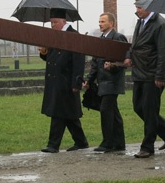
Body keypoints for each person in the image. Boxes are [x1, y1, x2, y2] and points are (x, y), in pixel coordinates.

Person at [124, 0, 165, 158]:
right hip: (139, 73)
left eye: (140, 7)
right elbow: (135, 44)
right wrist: (128, 55)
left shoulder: (161, 25)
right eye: (136, 7)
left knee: (149, 111)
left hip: (152, 74)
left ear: (150, 6)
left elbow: (164, 53)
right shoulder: (140, 22)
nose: (137, 10)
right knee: (138, 107)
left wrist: (160, 76)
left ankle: (147, 147)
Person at [39, 8, 89, 153]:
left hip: (66, 81)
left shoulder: (73, 36)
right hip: (55, 81)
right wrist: (44, 51)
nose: (53, 25)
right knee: (69, 114)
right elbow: (51, 58)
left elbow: (79, 62)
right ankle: (81, 141)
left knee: (58, 113)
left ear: (64, 21)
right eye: (51, 22)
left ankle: (53, 145)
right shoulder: (54, 36)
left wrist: (76, 82)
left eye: (55, 22)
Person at [82, 12, 127, 153]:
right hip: (103, 83)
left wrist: (113, 66)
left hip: (113, 82)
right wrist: (88, 81)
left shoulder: (118, 37)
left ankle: (108, 142)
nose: (100, 24)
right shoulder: (100, 40)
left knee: (105, 110)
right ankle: (119, 143)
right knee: (114, 113)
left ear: (111, 24)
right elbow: (95, 64)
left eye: (103, 21)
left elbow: (125, 60)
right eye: (99, 21)